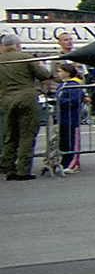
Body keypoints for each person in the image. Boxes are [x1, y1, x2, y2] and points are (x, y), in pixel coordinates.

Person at [1, 33, 55, 180]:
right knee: (27, 135)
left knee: (10, 134)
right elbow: (44, 75)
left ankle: (8, 168)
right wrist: (41, 65)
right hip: (26, 97)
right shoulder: (26, 56)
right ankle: (23, 170)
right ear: (17, 45)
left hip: (6, 99)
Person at [52, 32, 87, 172]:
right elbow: (51, 76)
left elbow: (83, 76)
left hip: (72, 113)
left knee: (72, 137)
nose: (69, 42)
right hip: (62, 113)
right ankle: (64, 159)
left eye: (70, 39)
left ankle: (73, 161)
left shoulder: (77, 58)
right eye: (65, 40)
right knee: (63, 138)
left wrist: (83, 92)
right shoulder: (55, 59)